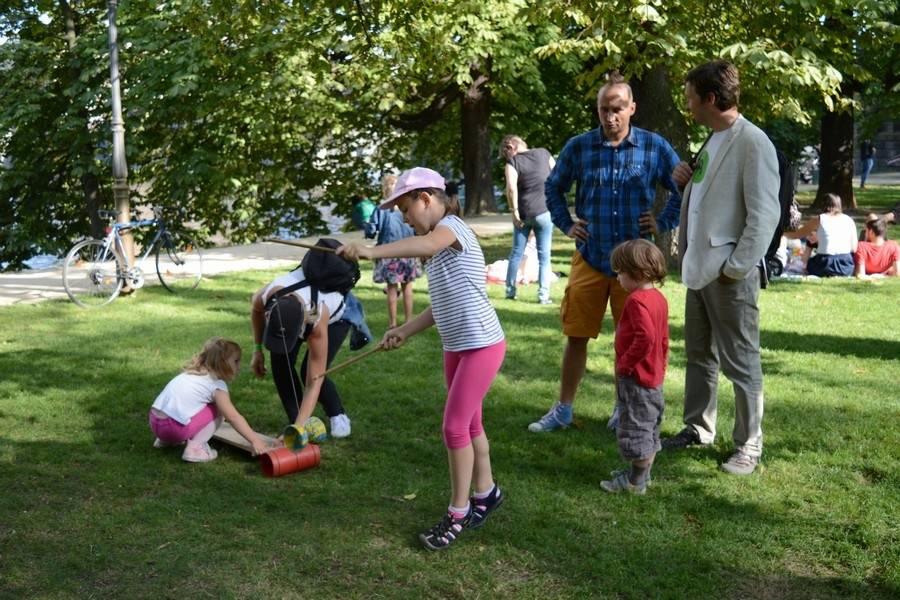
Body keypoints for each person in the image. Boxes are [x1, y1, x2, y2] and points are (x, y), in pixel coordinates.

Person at [337, 167, 506, 551]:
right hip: (457, 346)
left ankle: (458, 513)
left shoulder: (453, 230)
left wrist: (371, 250)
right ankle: (487, 493)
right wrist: (403, 330)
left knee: (454, 428)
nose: (402, 217)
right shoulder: (437, 241)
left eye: (405, 208)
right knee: (471, 425)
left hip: (481, 344)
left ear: (426, 199)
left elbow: (428, 247)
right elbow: (439, 307)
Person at [529, 71, 682, 433]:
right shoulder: (579, 147)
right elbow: (554, 187)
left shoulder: (654, 146)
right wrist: (566, 224)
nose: (610, 117)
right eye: (603, 110)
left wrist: (662, 221)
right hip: (591, 255)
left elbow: (682, 184)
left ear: (632, 108)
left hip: (635, 263)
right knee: (576, 334)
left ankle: (622, 408)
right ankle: (564, 409)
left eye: (617, 109)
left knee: (631, 337)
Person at [663, 60, 780, 476]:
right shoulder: (711, 140)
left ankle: (749, 445)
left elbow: (764, 215)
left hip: (729, 274)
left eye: (691, 98)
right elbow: (708, 197)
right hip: (699, 269)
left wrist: (736, 268)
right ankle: (698, 427)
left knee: (741, 360)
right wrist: (684, 180)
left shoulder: (753, 142)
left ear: (710, 98)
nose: (688, 105)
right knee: (699, 356)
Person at [250, 266, 353, 439]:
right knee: (280, 361)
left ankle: (337, 414)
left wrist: (296, 429)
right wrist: (258, 350)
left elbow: (314, 381)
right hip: (298, 311)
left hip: (337, 318)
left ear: (300, 327)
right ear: (270, 314)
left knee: (309, 371)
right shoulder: (268, 295)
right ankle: (299, 422)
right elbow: (256, 310)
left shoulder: (319, 316)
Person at [600, 240, 669, 495]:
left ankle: (634, 482)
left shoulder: (636, 301)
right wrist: (662, 365)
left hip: (637, 378)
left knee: (637, 428)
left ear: (638, 274)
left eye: (620, 272)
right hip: (653, 376)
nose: (617, 278)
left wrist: (625, 365)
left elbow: (647, 337)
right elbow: (663, 339)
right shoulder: (658, 298)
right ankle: (641, 475)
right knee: (650, 425)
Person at [149, 337, 272, 462]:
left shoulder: (191, 373)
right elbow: (233, 417)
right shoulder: (216, 385)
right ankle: (195, 450)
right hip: (173, 430)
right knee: (219, 410)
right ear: (222, 362)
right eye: (236, 361)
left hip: (155, 423)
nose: (239, 366)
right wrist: (255, 440)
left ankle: (164, 441)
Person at [500, 134, 556, 304]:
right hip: (544, 211)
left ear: (512, 147)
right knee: (544, 256)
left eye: (505, 153)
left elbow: (511, 188)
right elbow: (557, 177)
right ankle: (543, 296)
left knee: (516, 253)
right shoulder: (544, 154)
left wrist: (514, 211)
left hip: (523, 213)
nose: (506, 157)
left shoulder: (513, 162)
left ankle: (510, 292)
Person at [365, 174, 422, 328]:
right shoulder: (408, 207)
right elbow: (417, 229)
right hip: (408, 252)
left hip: (389, 254)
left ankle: (393, 323)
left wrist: (368, 227)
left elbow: (371, 231)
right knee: (407, 288)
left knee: (391, 289)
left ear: (384, 190)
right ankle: (409, 321)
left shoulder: (380, 209)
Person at [784, 193, 857, 277]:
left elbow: (797, 235)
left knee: (811, 240)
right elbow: (854, 248)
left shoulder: (820, 218)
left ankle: (802, 264)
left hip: (825, 265)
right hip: (846, 266)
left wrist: (781, 233)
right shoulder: (849, 220)